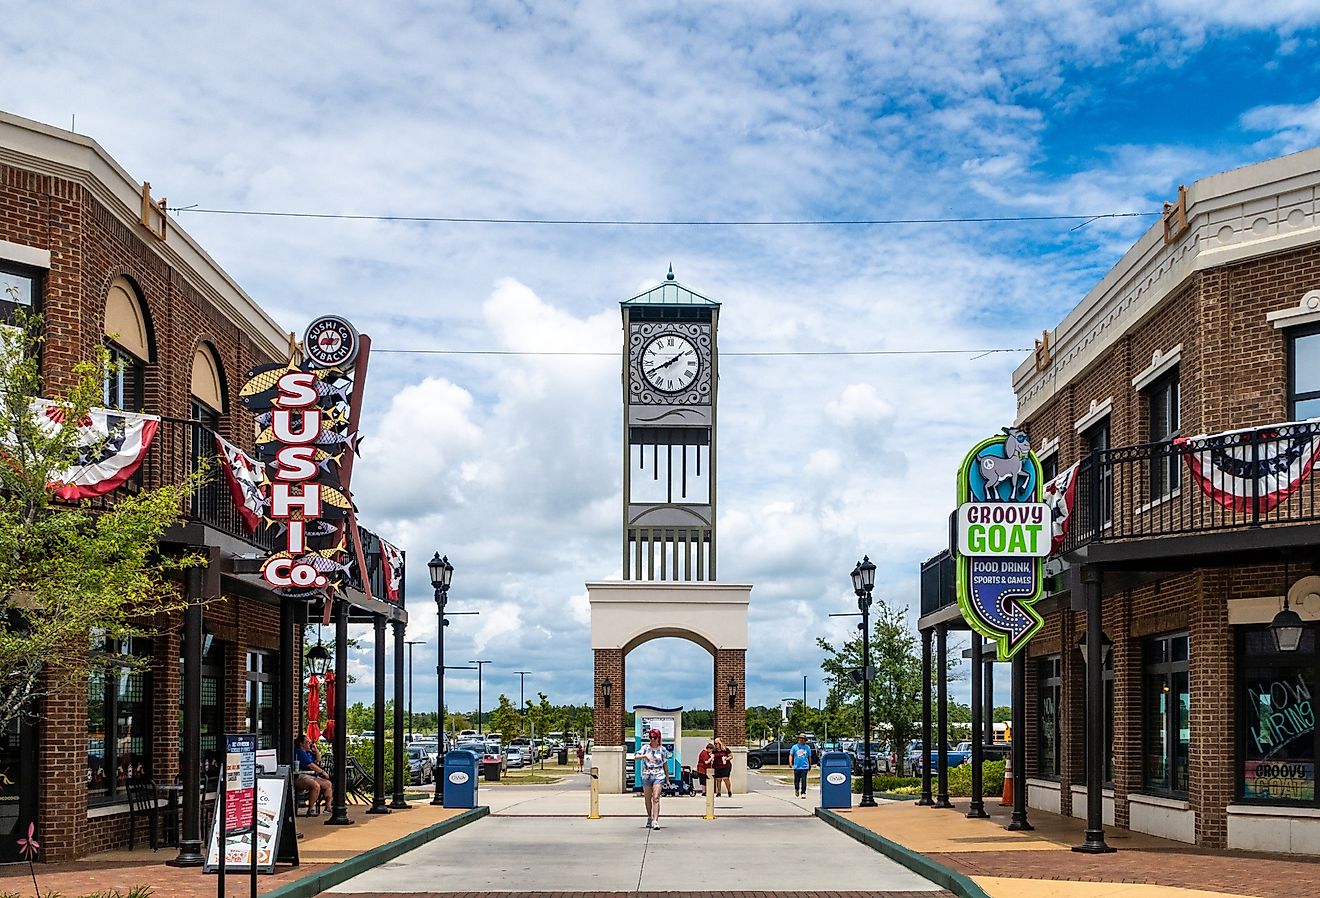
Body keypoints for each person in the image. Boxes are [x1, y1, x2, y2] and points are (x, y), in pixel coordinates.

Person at [637, 728, 669, 829]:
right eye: (650, 737)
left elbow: (665, 764)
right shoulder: (645, 748)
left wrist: (667, 778)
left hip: (658, 774)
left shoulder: (662, 750)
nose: (652, 739)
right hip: (647, 774)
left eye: (654, 737)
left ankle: (655, 820)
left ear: (658, 738)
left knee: (656, 797)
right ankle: (649, 817)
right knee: (647, 798)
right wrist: (644, 756)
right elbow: (635, 756)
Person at [294, 735, 332, 815]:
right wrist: (322, 772)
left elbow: (318, 760)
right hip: (300, 776)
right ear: (301, 744)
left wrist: (316, 751)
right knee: (316, 785)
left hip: (311, 776)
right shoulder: (300, 752)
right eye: (307, 742)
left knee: (328, 784)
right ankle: (311, 809)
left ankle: (328, 807)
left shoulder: (308, 752)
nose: (309, 744)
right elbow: (311, 765)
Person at [789, 733, 812, 798]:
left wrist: (810, 764)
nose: (801, 740)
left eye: (803, 739)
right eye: (800, 738)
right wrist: (790, 762)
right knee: (796, 781)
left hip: (804, 766)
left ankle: (803, 792)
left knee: (804, 780)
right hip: (797, 766)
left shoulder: (807, 747)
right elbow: (791, 755)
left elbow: (809, 756)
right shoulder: (795, 747)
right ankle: (797, 789)